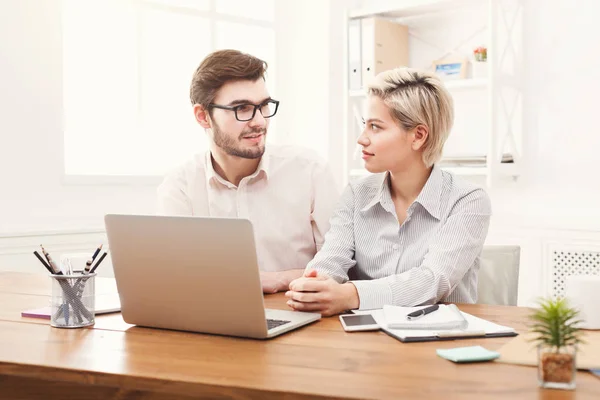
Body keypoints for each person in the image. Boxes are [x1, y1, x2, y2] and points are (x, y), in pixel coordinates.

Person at [286, 67, 492, 316]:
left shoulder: (467, 200)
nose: (362, 139)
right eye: (365, 125)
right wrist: (315, 284)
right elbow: (331, 258)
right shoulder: (356, 194)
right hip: (364, 341)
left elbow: (433, 281)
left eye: (376, 127)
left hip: (439, 342)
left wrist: (351, 294)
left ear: (418, 136)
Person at [157, 49, 339, 293]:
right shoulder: (179, 187)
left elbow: (339, 267)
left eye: (264, 106)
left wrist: (277, 280)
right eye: (242, 108)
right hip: (213, 319)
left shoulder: (310, 171)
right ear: (203, 117)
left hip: (302, 315)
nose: (260, 121)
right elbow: (175, 276)